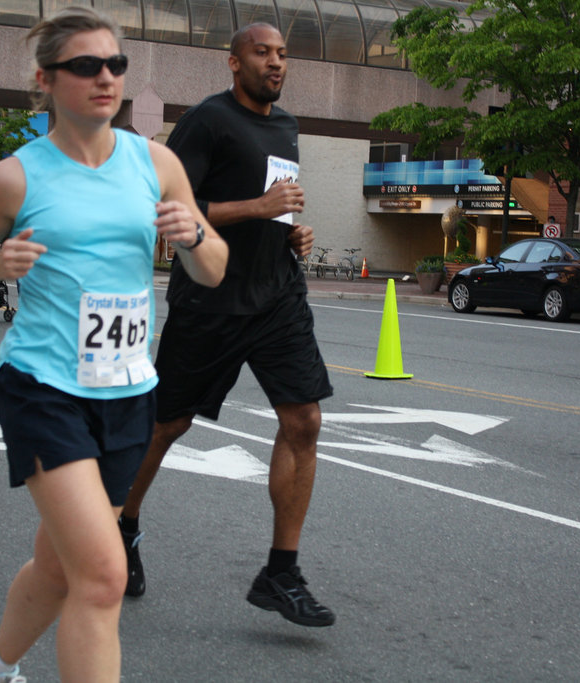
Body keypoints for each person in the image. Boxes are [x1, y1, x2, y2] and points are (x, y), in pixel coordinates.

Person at [0, 8, 226, 682]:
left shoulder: (157, 163)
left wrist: (194, 236)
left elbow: (213, 269)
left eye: (116, 65)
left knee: (60, 564)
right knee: (103, 574)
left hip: (127, 392)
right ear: (46, 79)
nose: (106, 77)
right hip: (43, 388)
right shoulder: (14, 176)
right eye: (86, 66)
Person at [117, 22, 336, 628]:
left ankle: (281, 572)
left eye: (283, 55)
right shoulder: (207, 122)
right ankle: (123, 525)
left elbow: (274, 200)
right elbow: (171, 209)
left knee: (305, 419)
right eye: (263, 53)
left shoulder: (286, 126)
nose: (276, 63)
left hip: (278, 297)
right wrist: (260, 209)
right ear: (233, 62)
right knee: (167, 424)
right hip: (210, 300)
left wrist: (292, 229)